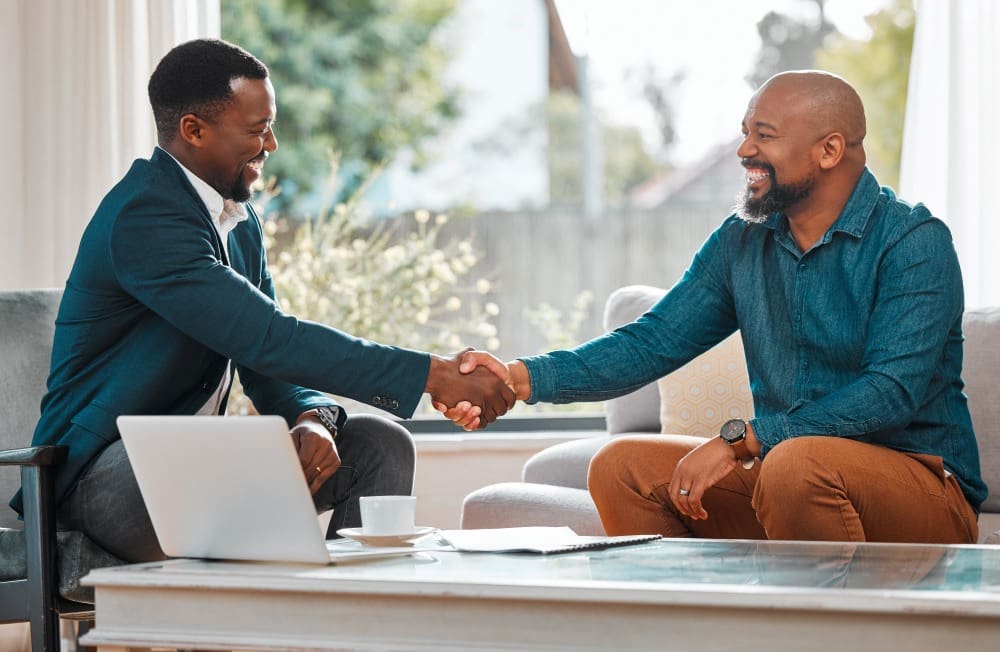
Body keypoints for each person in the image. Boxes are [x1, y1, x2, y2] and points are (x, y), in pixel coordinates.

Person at [9, 38, 513, 564]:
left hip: (197, 460)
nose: (271, 143)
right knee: (202, 463)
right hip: (95, 476)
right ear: (194, 130)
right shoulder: (145, 216)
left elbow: (265, 360)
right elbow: (269, 337)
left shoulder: (238, 220)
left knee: (378, 445)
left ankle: (342, 611)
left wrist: (311, 416)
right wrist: (434, 374)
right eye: (256, 129)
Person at [444, 70, 985, 544]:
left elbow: (889, 394)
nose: (744, 150)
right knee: (621, 467)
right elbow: (652, 342)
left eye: (764, 135)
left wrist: (744, 440)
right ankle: (695, 620)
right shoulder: (742, 240)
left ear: (829, 150)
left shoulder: (913, 241)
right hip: (788, 475)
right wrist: (518, 378)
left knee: (796, 464)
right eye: (745, 132)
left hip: (921, 487)